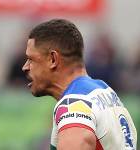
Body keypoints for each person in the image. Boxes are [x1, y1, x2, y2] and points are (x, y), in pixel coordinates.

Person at [22, 19, 137, 150]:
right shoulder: (106, 92)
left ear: (53, 59)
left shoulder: (74, 105)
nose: (25, 67)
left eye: (31, 59)